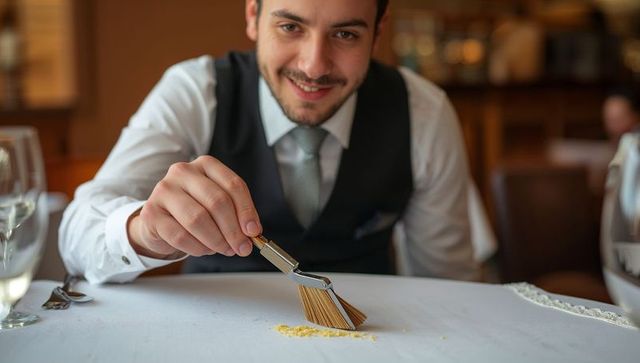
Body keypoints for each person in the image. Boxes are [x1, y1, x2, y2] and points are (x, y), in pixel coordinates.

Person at [60, 0, 478, 284]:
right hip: (211, 339)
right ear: (252, 16)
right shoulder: (196, 90)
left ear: (378, 32)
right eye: (290, 26)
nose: (313, 65)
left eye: (346, 34)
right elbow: (77, 236)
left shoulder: (423, 113)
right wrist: (142, 231)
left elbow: (447, 284)